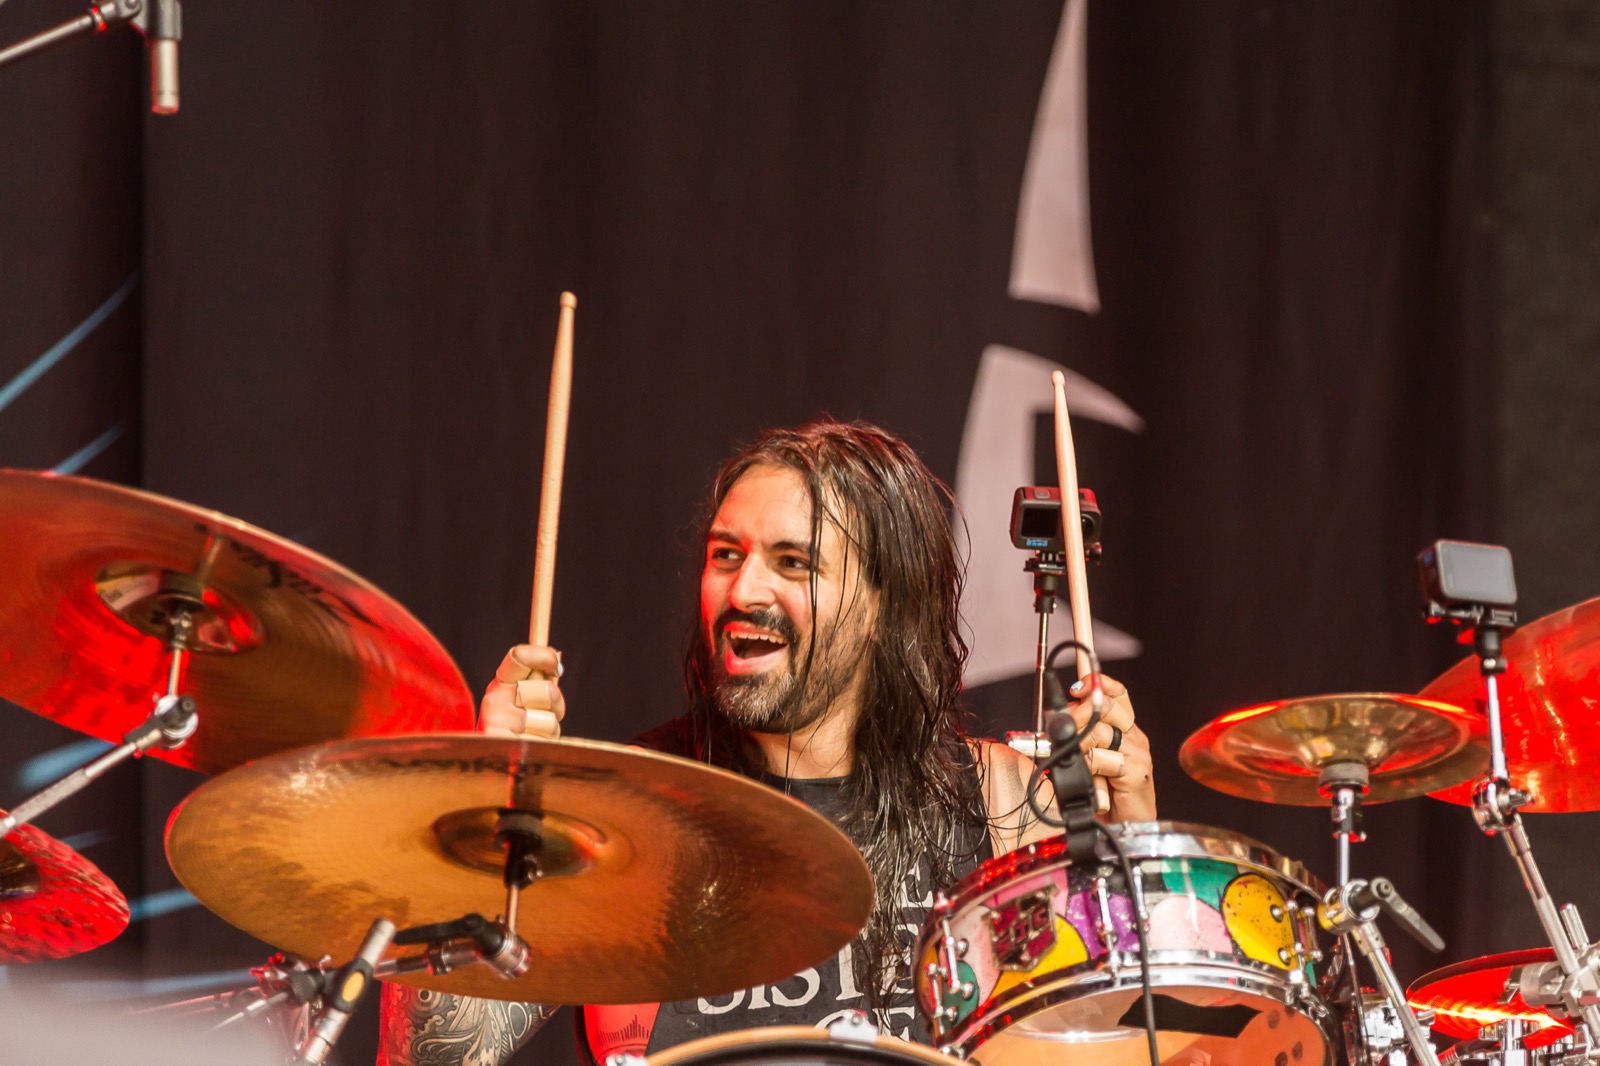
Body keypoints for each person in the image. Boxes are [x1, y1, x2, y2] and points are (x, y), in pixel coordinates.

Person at [378, 419, 1156, 1066]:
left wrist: (1130, 837)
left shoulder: (999, 801)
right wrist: (483, 801)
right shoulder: (628, 811)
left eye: (793, 563)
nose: (744, 592)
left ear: (887, 604)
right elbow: (431, 1060)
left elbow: (1096, 1034)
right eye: (727, 556)